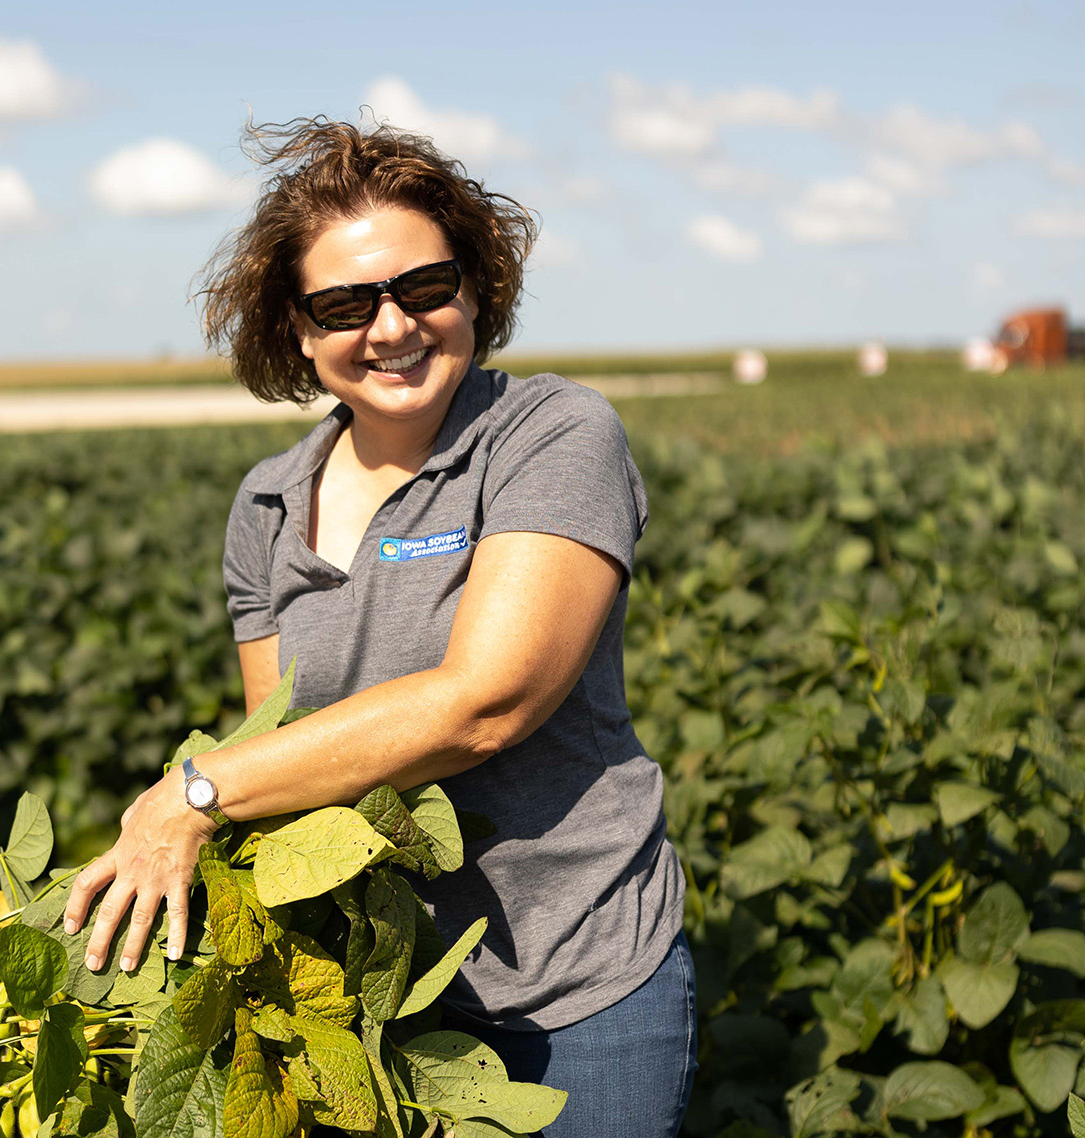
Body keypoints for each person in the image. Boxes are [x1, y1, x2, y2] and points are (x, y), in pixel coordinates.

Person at [63, 118, 696, 1136]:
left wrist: (190, 798)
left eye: (425, 287)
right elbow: (278, 747)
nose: (392, 327)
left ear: (476, 288)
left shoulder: (550, 435)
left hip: (576, 987)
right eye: (346, 304)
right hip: (377, 1009)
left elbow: (487, 701)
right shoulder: (268, 503)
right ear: (301, 332)